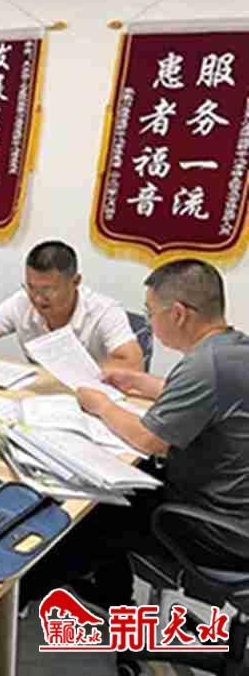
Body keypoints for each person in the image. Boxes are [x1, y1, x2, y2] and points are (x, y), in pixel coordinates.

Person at [20, 260, 249, 618]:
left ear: (177, 314)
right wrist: (143, 383)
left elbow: (148, 440)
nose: (150, 322)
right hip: (233, 507)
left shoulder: (205, 366)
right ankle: (112, 598)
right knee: (116, 494)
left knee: (90, 511)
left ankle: (20, 593)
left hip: (216, 529)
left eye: (150, 312)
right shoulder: (231, 349)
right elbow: (207, 398)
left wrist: (101, 405)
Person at [0, 240, 142, 369]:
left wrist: (79, 372)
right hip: (40, 398)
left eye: (48, 290)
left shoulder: (104, 312)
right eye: (31, 288)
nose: (38, 299)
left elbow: (133, 363)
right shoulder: (22, 301)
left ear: (75, 282)